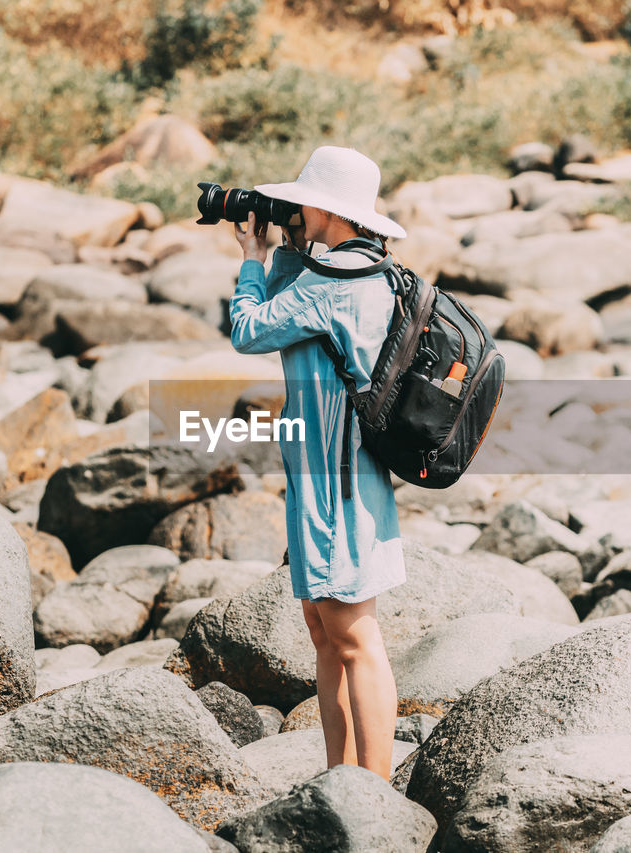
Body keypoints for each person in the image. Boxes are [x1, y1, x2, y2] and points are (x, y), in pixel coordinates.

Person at [227, 145, 408, 780]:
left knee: (352, 634)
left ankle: (373, 792)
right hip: (332, 473)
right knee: (323, 628)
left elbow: (250, 329)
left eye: (303, 202)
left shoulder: (332, 285)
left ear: (324, 208)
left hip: (337, 480)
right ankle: (341, 776)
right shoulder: (363, 269)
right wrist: (282, 252)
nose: (295, 210)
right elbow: (292, 317)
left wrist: (252, 261)